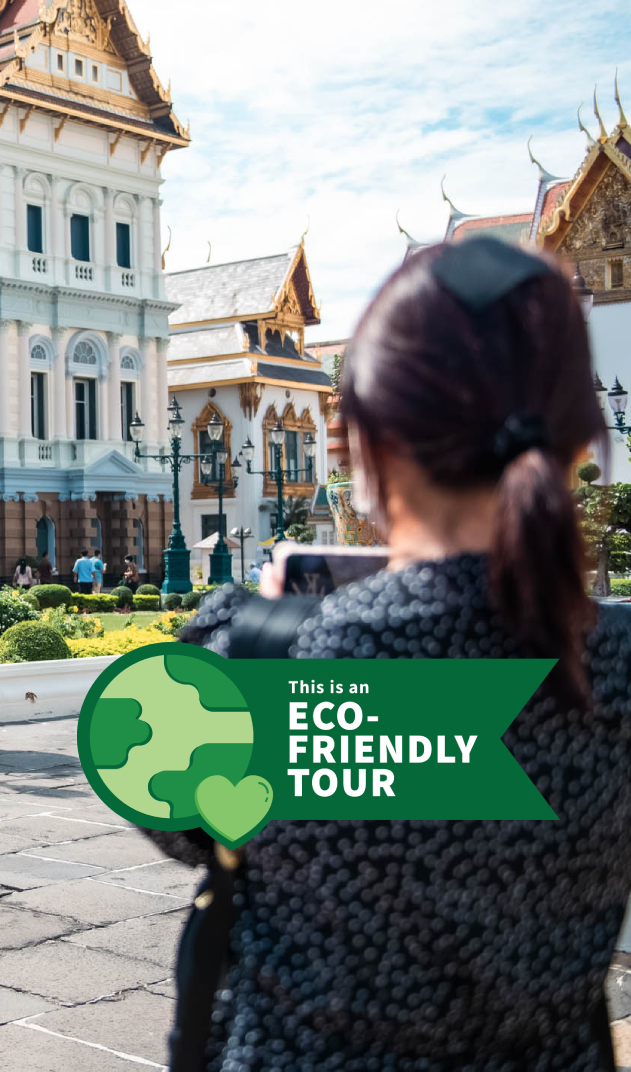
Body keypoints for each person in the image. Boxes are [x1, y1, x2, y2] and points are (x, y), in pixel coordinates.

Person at [160, 236, 631, 1068]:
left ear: (371, 443)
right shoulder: (618, 665)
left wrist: (267, 627)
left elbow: (172, 812)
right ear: (580, 441)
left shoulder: (261, 670)